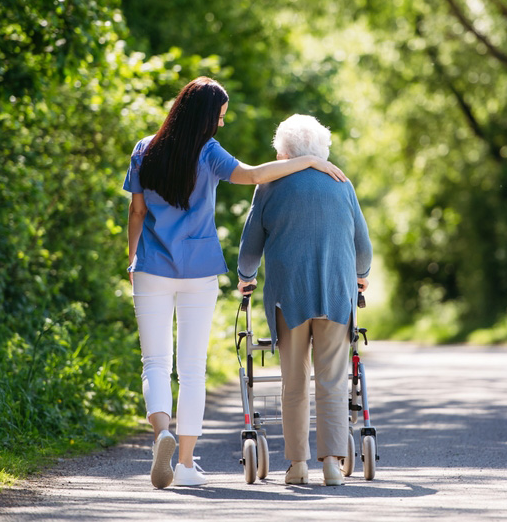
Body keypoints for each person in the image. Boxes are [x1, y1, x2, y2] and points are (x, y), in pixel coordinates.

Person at [123, 77, 346, 489]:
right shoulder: (207, 152)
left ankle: (162, 434)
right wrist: (310, 161)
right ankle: (185, 464)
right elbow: (255, 174)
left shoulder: (144, 149)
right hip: (199, 270)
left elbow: (136, 212)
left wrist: (132, 256)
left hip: (151, 267)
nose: (221, 125)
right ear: (205, 117)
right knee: (191, 368)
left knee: (154, 362)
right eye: (220, 117)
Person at [236, 114, 372, 486]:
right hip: (335, 291)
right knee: (331, 378)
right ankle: (332, 463)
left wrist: (245, 279)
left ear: (285, 151)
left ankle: (297, 466)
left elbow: (250, 247)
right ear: (320, 151)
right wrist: (361, 276)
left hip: (288, 297)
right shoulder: (342, 184)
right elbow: (363, 245)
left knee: (294, 381)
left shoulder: (269, 187)